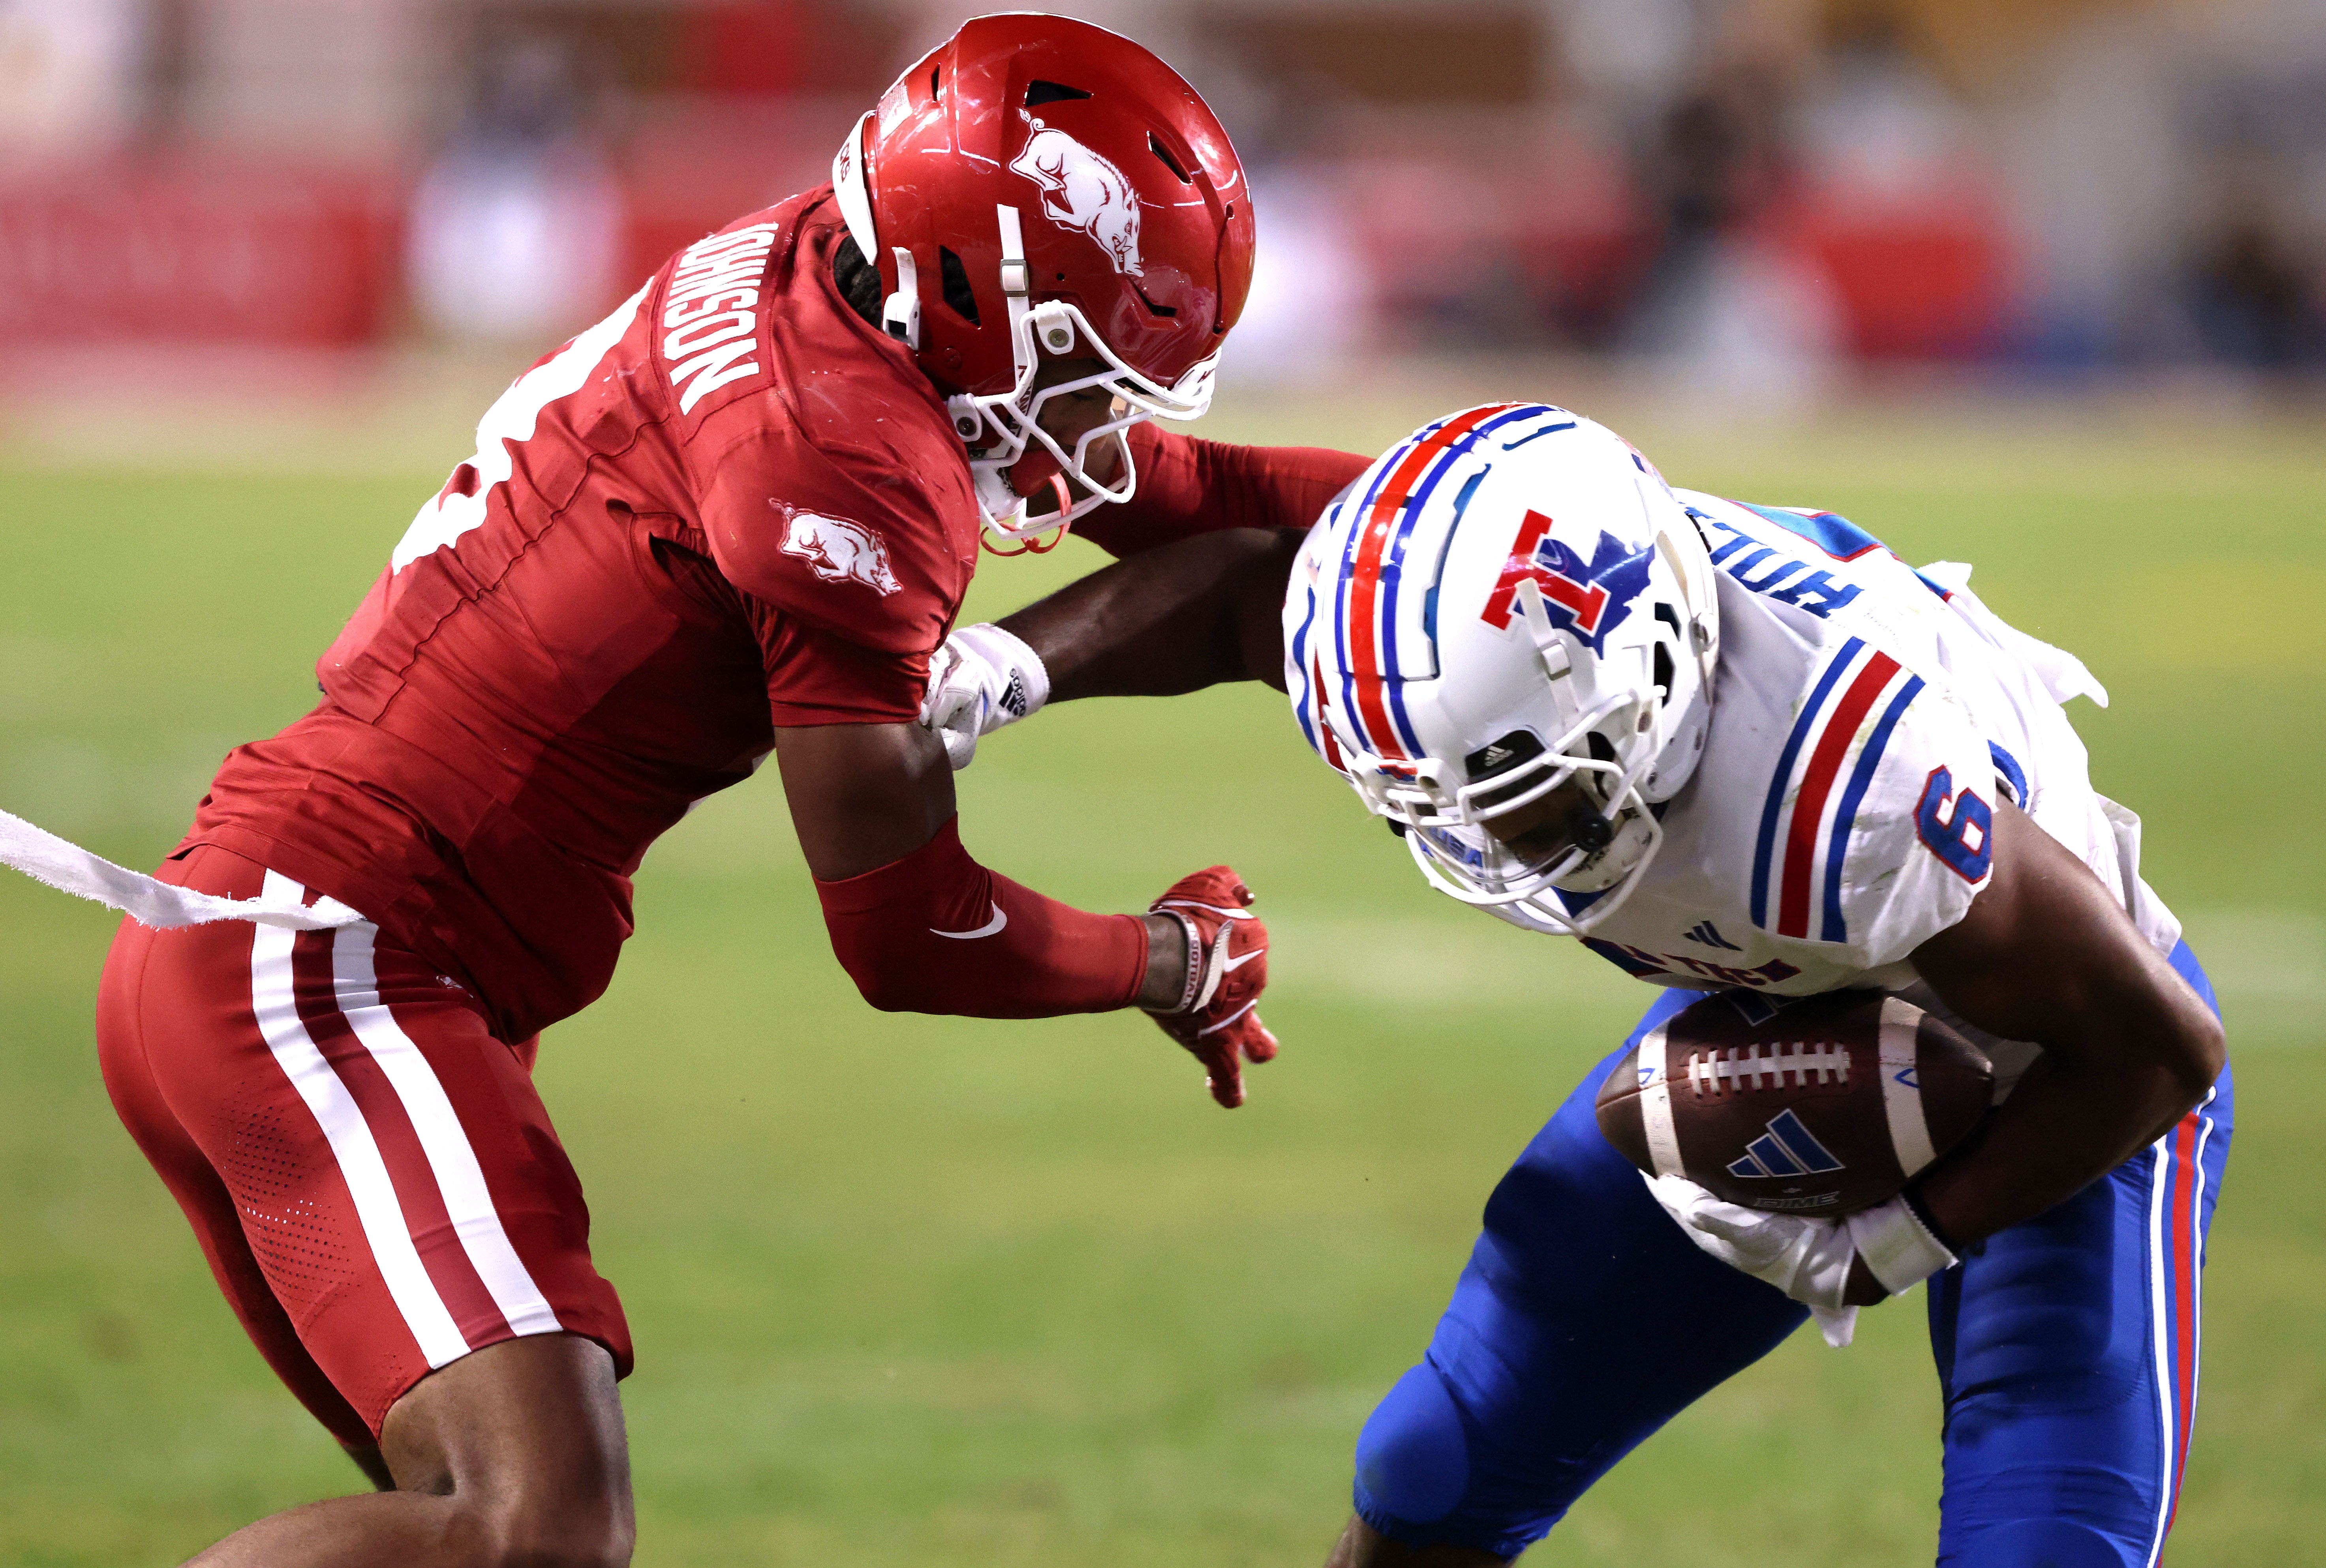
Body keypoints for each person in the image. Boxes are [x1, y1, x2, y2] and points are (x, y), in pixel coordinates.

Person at [0, 16, 1367, 1565]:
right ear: (974, 287)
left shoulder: (820, 264)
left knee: (475, 1542)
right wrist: (1162, 960)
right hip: (334, 973)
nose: (1102, 414)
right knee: (535, 1532)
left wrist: (1497, 484)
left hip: (285, 941)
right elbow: (903, 937)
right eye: (1079, 358)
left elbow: (1184, 493)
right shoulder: (835, 467)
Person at [924, 402, 2230, 1566]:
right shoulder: (1458, 637)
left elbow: (2163, 1045)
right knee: (1439, 1462)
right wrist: (995, 672)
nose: (1488, 843)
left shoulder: (1844, 791)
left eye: (1529, 804)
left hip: (2068, 1064)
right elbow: (1240, 595)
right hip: (1814, 989)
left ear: (1655, 691)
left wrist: (1889, 1239)